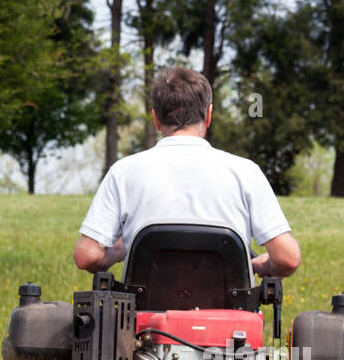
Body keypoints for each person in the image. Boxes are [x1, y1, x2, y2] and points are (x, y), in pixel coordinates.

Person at [73, 66, 301, 278]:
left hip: (145, 315)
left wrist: (117, 252)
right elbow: (288, 259)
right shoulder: (245, 172)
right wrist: (264, 265)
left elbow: (87, 256)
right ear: (209, 115)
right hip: (229, 315)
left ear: (156, 119)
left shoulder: (123, 172)